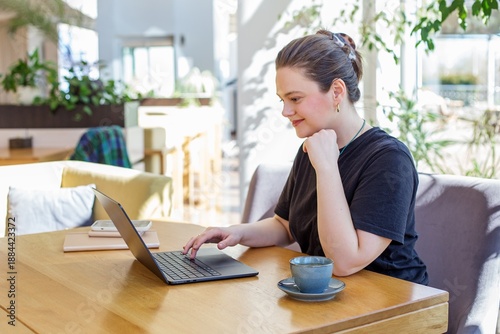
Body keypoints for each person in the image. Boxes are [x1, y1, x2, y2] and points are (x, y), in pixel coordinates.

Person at [183, 29, 428, 285]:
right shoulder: (313, 147)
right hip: (326, 296)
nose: (285, 111)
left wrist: (326, 168)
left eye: (295, 99)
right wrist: (234, 233)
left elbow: (344, 262)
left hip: (392, 305)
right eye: (282, 100)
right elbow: (284, 225)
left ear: (336, 92)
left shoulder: (389, 159)